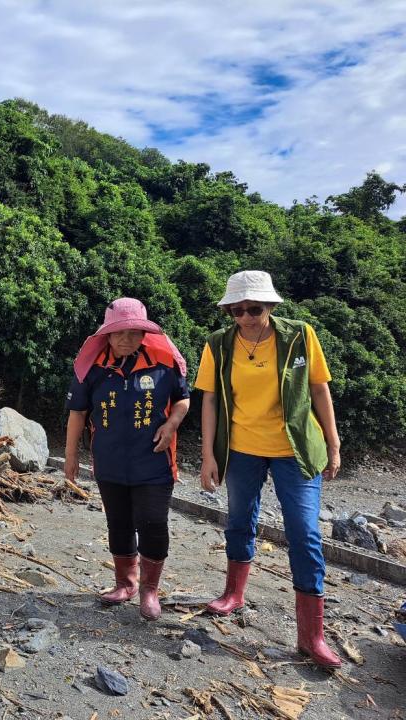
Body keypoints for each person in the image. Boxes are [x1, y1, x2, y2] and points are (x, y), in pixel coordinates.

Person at [195, 270, 343, 669]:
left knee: (305, 532)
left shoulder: (299, 335)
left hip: (294, 448)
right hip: (242, 448)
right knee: (240, 520)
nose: (245, 316)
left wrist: (333, 441)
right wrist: (208, 455)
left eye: (253, 308)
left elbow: (318, 388)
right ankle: (233, 594)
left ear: (271, 305)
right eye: (236, 310)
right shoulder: (219, 344)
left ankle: (312, 636)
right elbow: (209, 401)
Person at [65, 298, 190, 620]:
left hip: (154, 462)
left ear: (144, 334)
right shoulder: (91, 368)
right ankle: (125, 583)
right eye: (119, 332)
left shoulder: (163, 363)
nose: (126, 339)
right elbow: (78, 414)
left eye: (134, 332)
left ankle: (150, 590)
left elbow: (183, 401)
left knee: (153, 522)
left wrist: (171, 423)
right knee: (118, 522)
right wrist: (70, 459)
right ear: (106, 334)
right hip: (109, 462)